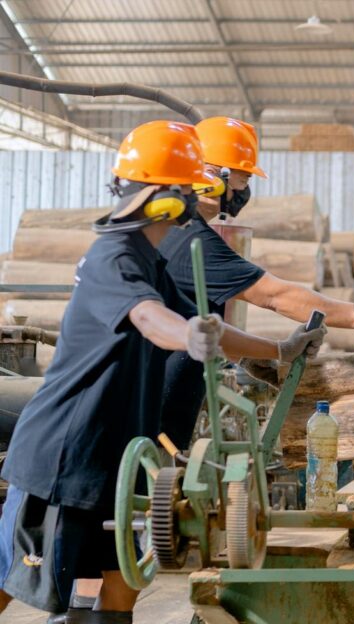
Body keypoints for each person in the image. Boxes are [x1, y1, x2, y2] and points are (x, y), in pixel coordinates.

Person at [0, 121, 325, 623]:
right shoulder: (114, 257)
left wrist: (278, 350)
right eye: (191, 188)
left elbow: (200, 323)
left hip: (117, 459)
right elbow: (152, 318)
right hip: (63, 458)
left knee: (120, 590)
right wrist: (187, 336)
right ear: (168, 198)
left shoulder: (149, 258)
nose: (202, 198)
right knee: (14, 585)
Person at [158, 116, 354, 448]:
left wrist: (261, 354)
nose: (244, 191)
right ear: (211, 177)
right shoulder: (190, 239)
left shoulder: (183, 231)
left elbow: (202, 326)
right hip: (149, 407)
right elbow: (274, 295)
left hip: (160, 401)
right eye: (242, 179)